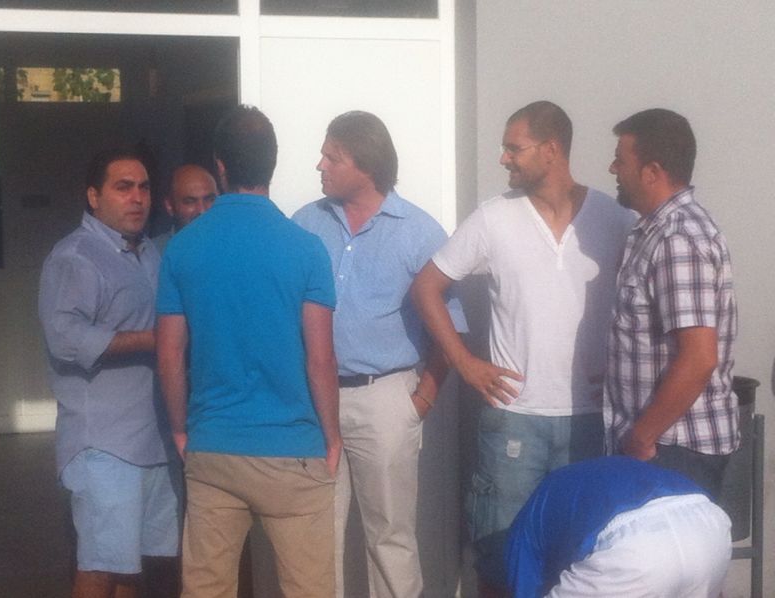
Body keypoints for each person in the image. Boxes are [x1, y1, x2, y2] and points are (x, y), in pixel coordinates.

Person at [410, 101, 635, 593]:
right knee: (500, 555)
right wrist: (465, 363)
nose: (503, 158)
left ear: (551, 150)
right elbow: (426, 287)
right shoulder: (494, 218)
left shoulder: (614, 219)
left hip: (589, 419)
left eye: (514, 148)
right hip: (512, 419)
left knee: (579, 556)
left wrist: (622, 372)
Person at [156, 104, 341, 598]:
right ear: (272, 163)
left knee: (207, 590)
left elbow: (170, 356)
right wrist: (332, 438)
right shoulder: (307, 248)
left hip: (214, 444)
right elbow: (320, 359)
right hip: (293, 448)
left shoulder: (182, 248)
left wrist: (180, 429)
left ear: (219, 165)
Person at [293, 110, 466, 598]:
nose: (320, 165)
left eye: (333, 157)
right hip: (314, 398)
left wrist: (423, 397)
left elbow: (451, 327)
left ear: (365, 165)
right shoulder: (306, 223)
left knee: (390, 535)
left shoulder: (419, 231)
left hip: (385, 396)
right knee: (315, 533)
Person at [38, 148, 181, 598]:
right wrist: (154, 339)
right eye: (123, 187)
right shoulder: (76, 257)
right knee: (100, 569)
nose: (137, 197)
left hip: (152, 441)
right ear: (94, 196)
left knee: (130, 570)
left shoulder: (150, 253)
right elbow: (64, 338)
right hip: (104, 445)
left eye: (144, 188)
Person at [604, 108, 738, 498]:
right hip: (662, 445)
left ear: (652, 171)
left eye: (620, 160)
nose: (613, 169)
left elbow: (698, 358)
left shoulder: (678, 238)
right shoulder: (651, 231)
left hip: (674, 449)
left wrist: (642, 436)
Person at [494, 456, 731, 598]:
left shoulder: (523, 535)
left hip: (635, 546)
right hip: (708, 524)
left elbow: (525, 588)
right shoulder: (562, 492)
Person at [152, 164, 217, 253]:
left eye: (210, 199)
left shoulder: (233, 242)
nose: (202, 210)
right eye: (190, 202)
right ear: (169, 206)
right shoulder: (156, 253)